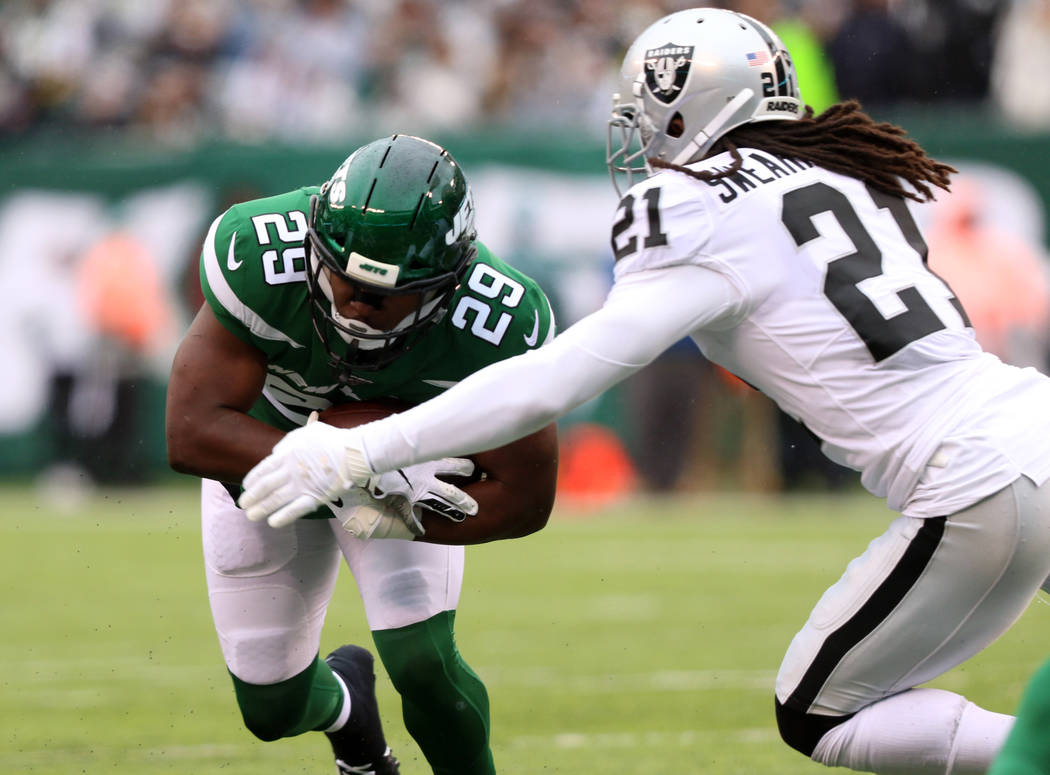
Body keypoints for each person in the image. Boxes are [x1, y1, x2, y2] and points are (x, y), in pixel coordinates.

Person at [240, 9, 1050, 773]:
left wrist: (360, 446)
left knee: (821, 712)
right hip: (1029, 422)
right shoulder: (840, 172)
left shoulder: (698, 204)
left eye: (649, 111)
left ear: (696, 106)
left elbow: (568, 371)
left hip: (972, 476)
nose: (638, 133)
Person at [165, 134, 558, 775]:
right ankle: (349, 709)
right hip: (264, 463)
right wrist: (318, 461)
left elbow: (526, 499)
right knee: (271, 710)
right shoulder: (262, 252)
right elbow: (190, 430)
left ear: (446, 285)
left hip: (400, 473)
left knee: (423, 664)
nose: (352, 302)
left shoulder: (497, 322)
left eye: (380, 295)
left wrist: (396, 508)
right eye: (339, 274)